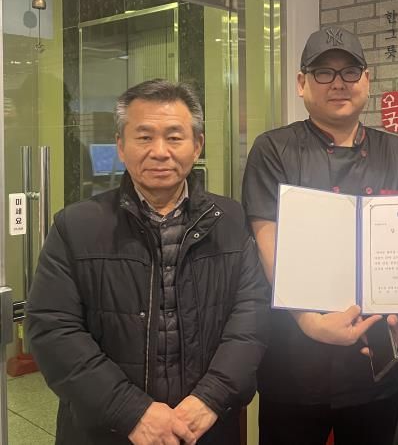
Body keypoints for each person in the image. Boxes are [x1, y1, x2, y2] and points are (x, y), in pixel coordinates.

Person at [26, 79, 270, 445]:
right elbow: (52, 329)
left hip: (205, 428)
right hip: (105, 430)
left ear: (197, 145)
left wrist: (211, 398)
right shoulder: (75, 227)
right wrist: (131, 411)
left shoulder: (231, 221)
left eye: (174, 137)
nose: (160, 151)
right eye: (144, 137)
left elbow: (251, 318)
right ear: (121, 147)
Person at [242, 26, 398, 445]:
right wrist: (310, 322)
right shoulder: (273, 149)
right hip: (293, 364)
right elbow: (267, 242)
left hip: (374, 360)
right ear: (302, 83)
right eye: (323, 72)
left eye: (349, 72)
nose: (338, 83)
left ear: (366, 79)